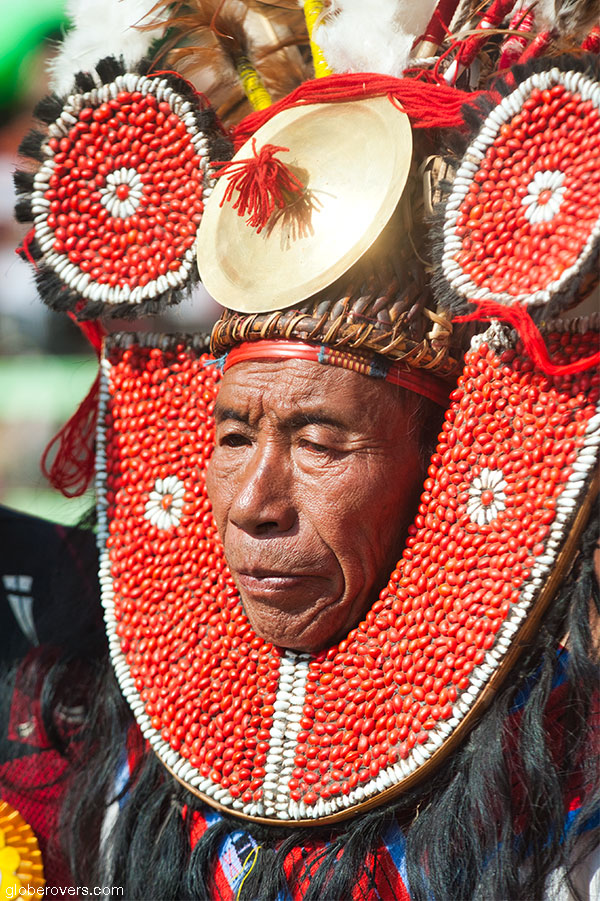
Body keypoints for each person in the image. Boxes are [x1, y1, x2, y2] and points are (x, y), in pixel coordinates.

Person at [2, 1, 599, 899]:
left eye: (320, 442)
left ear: (438, 468)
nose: (254, 502)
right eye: (234, 435)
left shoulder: (562, 764)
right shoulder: (96, 726)